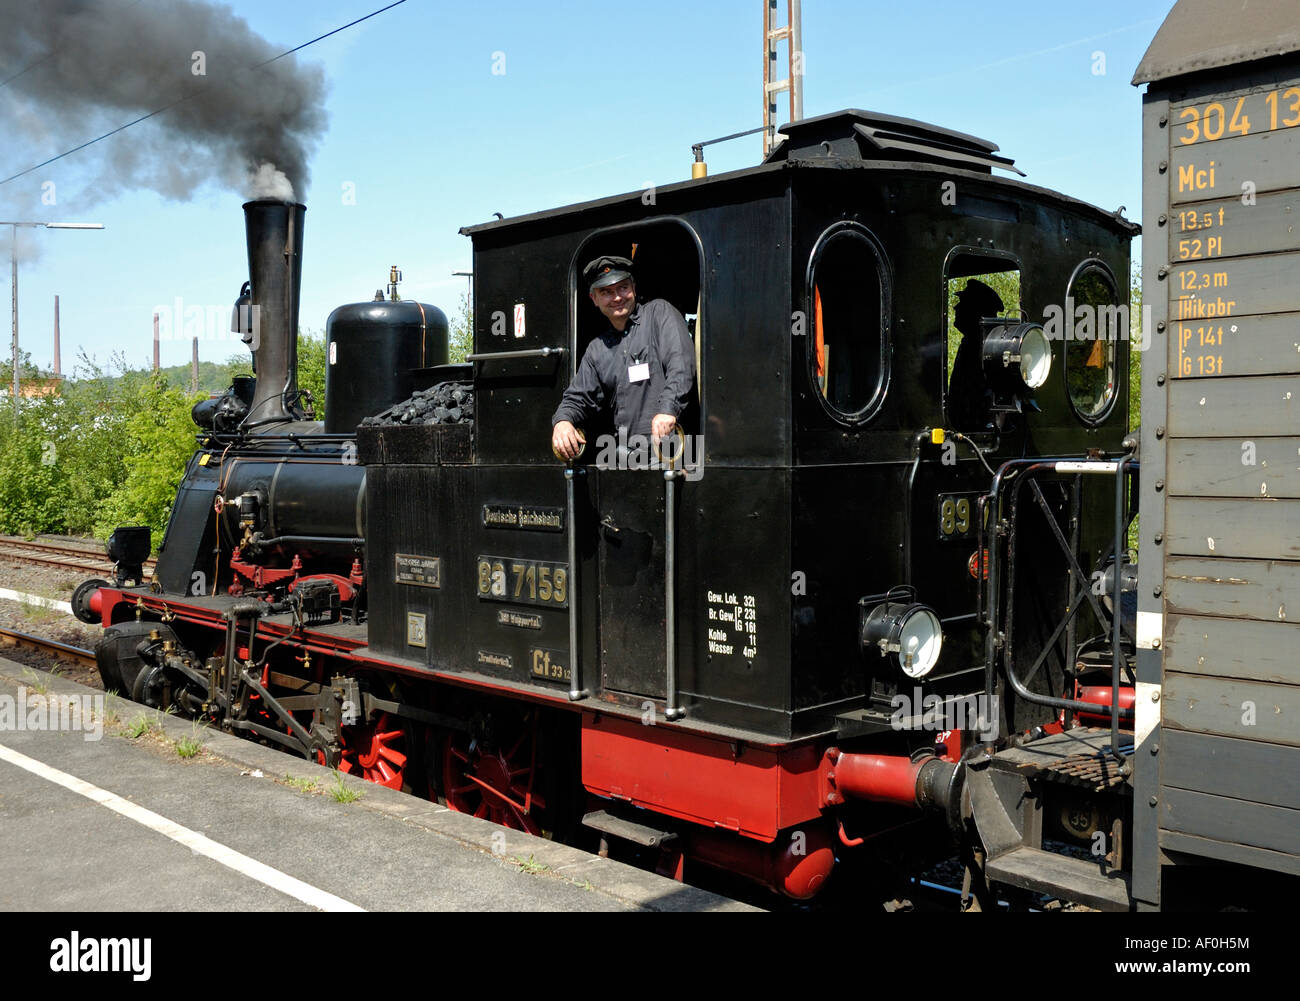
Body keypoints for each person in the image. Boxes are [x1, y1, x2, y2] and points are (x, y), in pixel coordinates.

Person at [551, 255, 696, 460]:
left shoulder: (659, 314)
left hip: (674, 454)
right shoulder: (597, 349)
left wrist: (668, 409)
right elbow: (578, 397)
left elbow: (680, 365)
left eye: (623, 288)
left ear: (634, 289)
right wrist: (562, 421)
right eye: (606, 292)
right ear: (594, 299)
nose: (617, 297)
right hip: (626, 458)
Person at [946, 278, 1004, 430]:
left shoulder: (987, 348)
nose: (955, 307)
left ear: (975, 310)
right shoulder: (971, 343)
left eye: (963, 303)